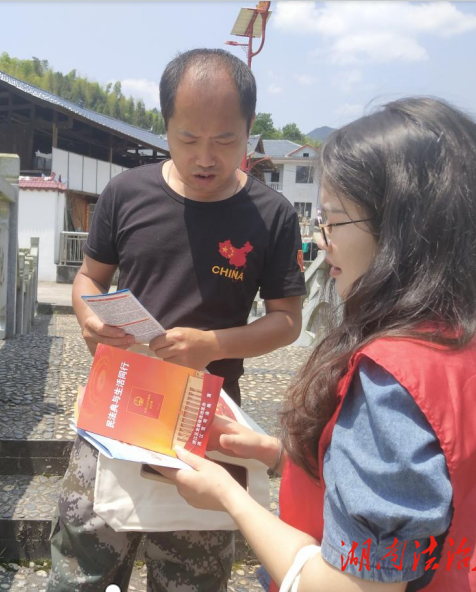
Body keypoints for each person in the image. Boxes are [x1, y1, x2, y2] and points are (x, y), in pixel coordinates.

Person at [157, 97, 476, 591]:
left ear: (400, 229)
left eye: (332, 219)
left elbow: (354, 585)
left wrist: (228, 494)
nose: (322, 239)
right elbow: (441, 479)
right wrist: (282, 455)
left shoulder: (394, 377)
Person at [47, 48, 307, 591]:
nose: (206, 157)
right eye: (188, 139)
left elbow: (286, 320)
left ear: (249, 130)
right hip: (116, 406)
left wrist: (212, 343)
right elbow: (88, 279)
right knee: (82, 568)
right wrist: (89, 318)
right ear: (165, 126)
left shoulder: (271, 214)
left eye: (226, 141)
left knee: (190, 576)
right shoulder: (127, 193)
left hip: (206, 420)